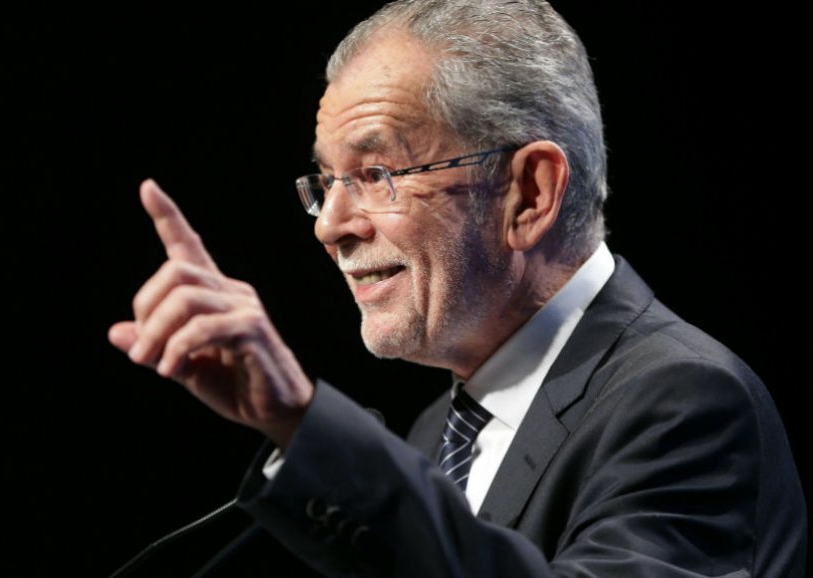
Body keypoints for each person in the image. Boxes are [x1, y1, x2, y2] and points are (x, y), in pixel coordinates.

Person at [108, 0, 806, 575]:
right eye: (326, 182)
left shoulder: (684, 401)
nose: (331, 225)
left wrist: (304, 421)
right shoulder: (434, 433)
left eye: (376, 174)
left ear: (529, 194)